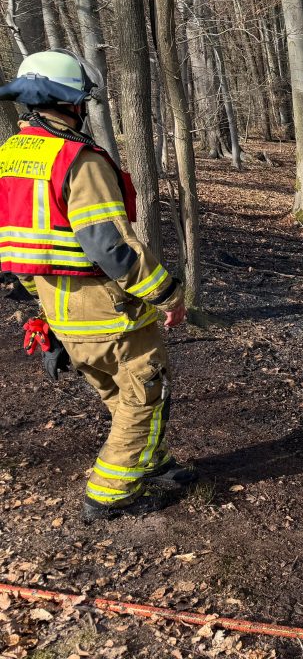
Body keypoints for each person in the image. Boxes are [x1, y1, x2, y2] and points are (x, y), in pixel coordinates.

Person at [0, 49, 195, 522]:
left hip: (58, 306)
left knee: (117, 392)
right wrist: (167, 294)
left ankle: (152, 463)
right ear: (71, 102)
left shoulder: (10, 156)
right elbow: (111, 246)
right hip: (107, 309)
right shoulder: (78, 160)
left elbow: (16, 246)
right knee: (146, 394)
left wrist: (43, 310)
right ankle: (109, 494)